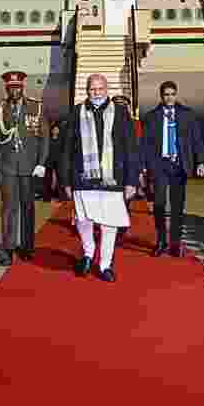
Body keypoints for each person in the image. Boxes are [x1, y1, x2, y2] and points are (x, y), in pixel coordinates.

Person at [59, 73, 138, 281]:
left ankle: (104, 264)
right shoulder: (76, 113)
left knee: (109, 223)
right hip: (83, 178)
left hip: (112, 179)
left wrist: (131, 180)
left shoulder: (120, 113)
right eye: (92, 89)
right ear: (87, 91)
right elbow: (66, 149)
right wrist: (65, 180)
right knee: (83, 220)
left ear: (107, 90)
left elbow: (131, 148)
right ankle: (87, 253)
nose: (96, 92)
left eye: (100, 88)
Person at [0, 70, 49, 265]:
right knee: (9, 208)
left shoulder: (36, 107)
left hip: (30, 167)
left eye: (18, 87)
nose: (15, 91)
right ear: (6, 88)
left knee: (28, 207)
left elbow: (44, 138)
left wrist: (41, 162)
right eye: (11, 88)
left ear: (23, 88)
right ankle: (7, 248)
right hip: (7, 167)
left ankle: (28, 246)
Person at [140, 81, 204, 256]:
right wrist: (144, 166)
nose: (169, 97)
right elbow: (145, 144)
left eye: (172, 94)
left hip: (179, 165)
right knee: (159, 204)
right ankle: (161, 241)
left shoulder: (187, 114)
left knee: (177, 206)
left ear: (176, 95)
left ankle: (175, 243)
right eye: (166, 94)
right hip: (160, 165)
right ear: (161, 96)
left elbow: (196, 140)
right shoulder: (152, 117)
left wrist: (200, 162)